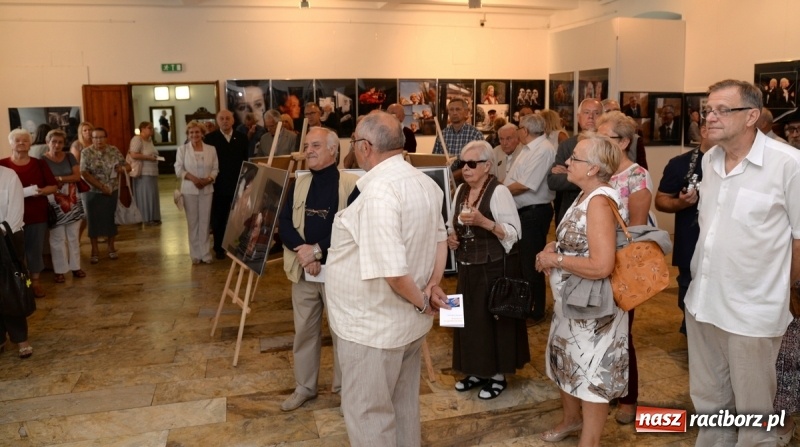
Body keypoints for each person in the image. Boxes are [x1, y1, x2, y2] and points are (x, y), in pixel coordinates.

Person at [685, 79, 800, 446]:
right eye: (707, 110)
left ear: (752, 116)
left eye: (722, 110)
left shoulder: (789, 165)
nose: (710, 117)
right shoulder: (710, 159)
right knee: (710, 404)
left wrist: (780, 292)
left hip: (752, 313)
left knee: (755, 417)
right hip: (702, 305)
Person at [325, 111, 448, 447]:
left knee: (369, 414)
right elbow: (441, 239)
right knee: (402, 405)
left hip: (373, 330)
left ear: (365, 147)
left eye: (352, 143)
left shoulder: (380, 193)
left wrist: (424, 301)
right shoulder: (424, 182)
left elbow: (393, 272)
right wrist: (434, 283)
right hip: (402, 326)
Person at [535, 134, 629, 447]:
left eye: (575, 158)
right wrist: (556, 245)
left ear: (592, 169)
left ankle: (589, 441)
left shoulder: (600, 201)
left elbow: (602, 265)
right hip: (572, 304)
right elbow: (580, 241)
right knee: (567, 362)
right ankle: (571, 420)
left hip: (593, 310)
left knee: (591, 376)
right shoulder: (584, 195)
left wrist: (555, 258)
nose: (567, 163)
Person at [277, 127, 358, 412]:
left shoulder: (351, 184)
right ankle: (305, 387)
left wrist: (318, 251)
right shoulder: (298, 182)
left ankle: (343, 389)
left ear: (333, 150)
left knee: (342, 334)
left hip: (338, 273)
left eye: (315, 145)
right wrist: (305, 253)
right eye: (307, 145)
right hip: (303, 271)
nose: (308, 150)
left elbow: (353, 230)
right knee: (304, 332)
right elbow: (284, 222)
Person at [447, 140, 527, 400]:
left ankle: (496, 375)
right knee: (467, 321)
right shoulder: (460, 190)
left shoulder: (499, 191)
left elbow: (515, 233)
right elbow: (451, 225)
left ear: (487, 166)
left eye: (472, 164)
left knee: (490, 321)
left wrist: (485, 222)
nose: (466, 169)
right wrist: (452, 237)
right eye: (462, 164)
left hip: (493, 268)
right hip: (466, 266)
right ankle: (475, 370)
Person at [596, 111, 655, 425]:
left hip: (621, 265)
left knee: (622, 334)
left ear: (624, 142)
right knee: (599, 332)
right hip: (595, 264)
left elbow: (637, 231)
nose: (598, 143)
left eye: (605, 138)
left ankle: (628, 398)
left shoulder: (636, 176)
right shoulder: (600, 173)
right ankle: (604, 389)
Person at [655, 122, 711, 337]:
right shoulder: (680, 164)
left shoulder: (735, 164)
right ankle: (691, 332)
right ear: (704, 131)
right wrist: (682, 203)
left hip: (726, 249)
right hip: (690, 244)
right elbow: (661, 201)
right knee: (688, 291)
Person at [505, 114, 555, 325]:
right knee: (523, 263)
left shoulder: (543, 149)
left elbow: (525, 184)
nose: (517, 131)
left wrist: (498, 193)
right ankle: (525, 306)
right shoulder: (527, 148)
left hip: (534, 212)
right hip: (523, 211)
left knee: (532, 263)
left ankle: (535, 311)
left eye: (518, 128)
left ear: (524, 130)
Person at [1, 129, 58, 297]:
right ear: (10, 143)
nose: (21, 143)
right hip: (8, 219)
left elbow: (53, 186)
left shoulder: (39, 163)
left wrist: (40, 191)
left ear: (30, 143)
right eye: (17, 140)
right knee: (15, 254)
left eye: (25, 140)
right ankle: (21, 284)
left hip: (36, 214)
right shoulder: (3, 165)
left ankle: (35, 284)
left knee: (34, 250)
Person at [548, 98, 603, 226]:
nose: (591, 117)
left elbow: (611, 177)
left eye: (596, 113)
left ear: (603, 117)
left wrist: (569, 173)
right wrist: (590, 176)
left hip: (600, 212)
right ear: (578, 117)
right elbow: (553, 181)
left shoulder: (608, 145)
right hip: (570, 212)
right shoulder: (567, 145)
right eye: (586, 112)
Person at [42, 129, 86, 283]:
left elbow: (76, 176)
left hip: (72, 199)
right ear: (47, 142)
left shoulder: (69, 156)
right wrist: (60, 180)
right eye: (54, 141)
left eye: (60, 142)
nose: (57, 145)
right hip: (53, 201)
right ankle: (59, 270)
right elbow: (42, 180)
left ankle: (76, 267)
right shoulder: (42, 160)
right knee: (57, 238)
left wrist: (58, 178)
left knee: (73, 236)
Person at [80, 127, 129, 265]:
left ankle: (111, 247)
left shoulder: (113, 150)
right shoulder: (86, 152)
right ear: (91, 138)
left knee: (111, 220)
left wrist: (121, 168)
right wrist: (101, 187)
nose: (99, 140)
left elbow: (128, 166)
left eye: (101, 137)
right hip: (92, 192)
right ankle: (94, 250)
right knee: (93, 221)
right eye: (95, 137)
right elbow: (84, 173)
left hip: (111, 190)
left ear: (106, 138)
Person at [204, 110, 248, 259]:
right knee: (219, 219)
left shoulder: (242, 138)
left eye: (227, 118)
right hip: (219, 186)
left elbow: (247, 161)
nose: (225, 121)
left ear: (233, 120)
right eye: (221, 118)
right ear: (217, 121)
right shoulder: (210, 139)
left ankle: (238, 246)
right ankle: (219, 248)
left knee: (239, 218)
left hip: (238, 184)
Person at [0, 163, 33, 358]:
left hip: (8, 239)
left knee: (12, 289)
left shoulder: (8, 175)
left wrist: (2, 233)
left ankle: (21, 339)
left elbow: (15, 212)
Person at [175, 121, 218, 264]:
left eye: (197, 132)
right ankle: (195, 255)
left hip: (207, 188)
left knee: (205, 222)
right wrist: (194, 179)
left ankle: (205, 253)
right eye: (191, 132)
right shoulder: (182, 149)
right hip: (189, 190)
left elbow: (215, 169)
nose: (194, 135)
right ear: (188, 134)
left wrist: (208, 179)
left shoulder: (211, 149)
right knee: (193, 222)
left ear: (202, 133)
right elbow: (178, 169)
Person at [433, 98, 484, 182]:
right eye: (451, 110)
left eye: (458, 109)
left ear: (466, 112)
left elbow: (479, 163)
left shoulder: (475, 135)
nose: (454, 112)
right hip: (447, 181)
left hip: (468, 183)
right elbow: (435, 160)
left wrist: (453, 175)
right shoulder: (442, 134)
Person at [127, 121, 161, 226]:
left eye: (152, 128)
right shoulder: (137, 139)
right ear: (142, 129)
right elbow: (133, 154)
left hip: (152, 171)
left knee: (152, 194)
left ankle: (154, 217)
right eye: (149, 128)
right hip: (143, 172)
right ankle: (146, 218)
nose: (151, 130)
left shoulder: (150, 140)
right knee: (145, 195)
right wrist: (148, 157)